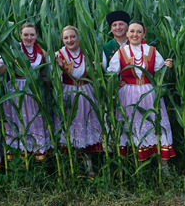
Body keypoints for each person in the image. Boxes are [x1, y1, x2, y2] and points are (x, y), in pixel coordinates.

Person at [107, 21, 175, 169]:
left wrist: (167, 66)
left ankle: (163, 167)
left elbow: (160, 71)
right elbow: (111, 73)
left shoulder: (151, 51)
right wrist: (117, 81)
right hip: (128, 95)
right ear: (127, 34)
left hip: (150, 93)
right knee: (132, 126)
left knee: (155, 124)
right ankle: (134, 165)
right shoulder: (121, 52)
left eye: (138, 32)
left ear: (144, 34)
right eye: (131, 31)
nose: (135, 35)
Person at [55, 26, 103, 177]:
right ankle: (71, 168)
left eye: (73, 37)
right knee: (71, 129)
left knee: (87, 128)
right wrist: (58, 69)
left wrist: (98, 68)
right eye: (66, 38)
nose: (70, 40)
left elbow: (102, 72)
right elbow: (51, 80)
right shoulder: (58, 55)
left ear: (78, 37)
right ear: (62, 40)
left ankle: (89, 167)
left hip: (87, 93)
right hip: (68, 95)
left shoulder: (88, 52)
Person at [0, 22, 50, 161]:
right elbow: (0, 72)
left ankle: (37, 155)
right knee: (18, 120)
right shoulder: (12, 49)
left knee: (35, 120)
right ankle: (20, 158)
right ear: (20, 35)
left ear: (36, 35)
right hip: (16, 90)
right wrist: (9, 62)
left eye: (32, 34)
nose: (29, 37)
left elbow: (46, 74)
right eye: (26, 34)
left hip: (35, 90)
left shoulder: (42, 52)